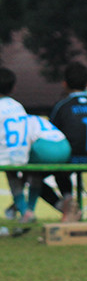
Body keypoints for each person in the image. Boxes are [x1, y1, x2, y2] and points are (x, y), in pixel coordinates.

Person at [42, 62, 87, 219]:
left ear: (64, 84)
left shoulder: (63, 106)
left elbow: (50, 134)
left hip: (69, 160)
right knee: (62, 167)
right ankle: (70, 204)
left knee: (32, 176)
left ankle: (65, 204)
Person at [0, 67, 31, 221]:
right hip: (21, 155)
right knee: (13, 177)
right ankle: (25, 211)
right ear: (13, 88)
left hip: (4, 156)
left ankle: (23, 210)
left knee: (10, 173)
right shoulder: (18, 106)